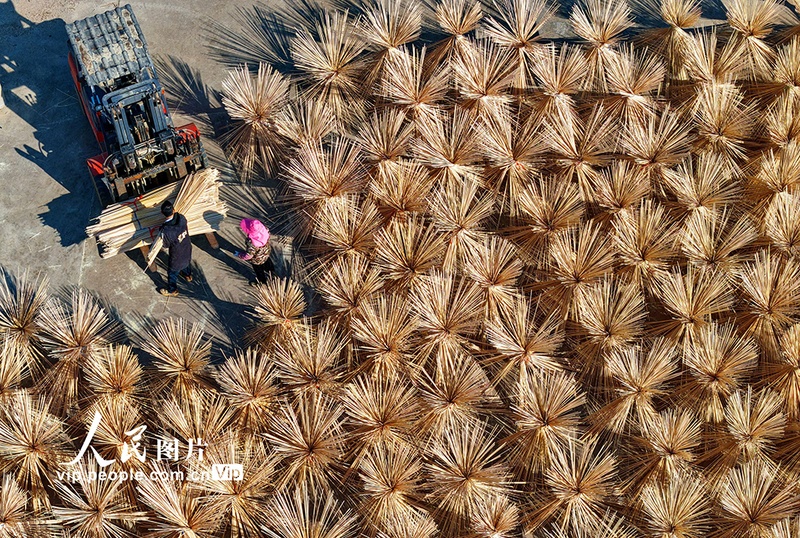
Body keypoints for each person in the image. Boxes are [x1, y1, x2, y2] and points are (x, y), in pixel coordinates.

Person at [157, 200, 193, 296]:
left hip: (177, 257)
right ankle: (188, 276)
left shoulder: (166, 230)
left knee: (172, 273)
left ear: (161, 213)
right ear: (174, 209)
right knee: (186, 262)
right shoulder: (181, 218)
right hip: (187, 248)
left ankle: (172, 290)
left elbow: (166, 245)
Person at [235, 218, 273, 285]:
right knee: (268, 263)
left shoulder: (251, 243)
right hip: (266, 253)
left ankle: (262, 282)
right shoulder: (265, 230)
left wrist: (240, 255)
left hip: (257, 260)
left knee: (259, 271)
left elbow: (249, 255)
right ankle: (272, 273)